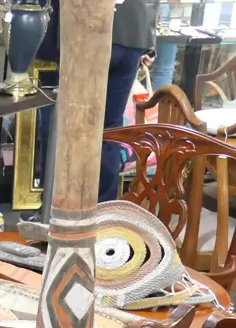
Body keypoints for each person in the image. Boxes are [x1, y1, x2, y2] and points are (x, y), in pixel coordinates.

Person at [100, 0, 156, 201]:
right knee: (111, 129)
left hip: (95, 30)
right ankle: (103, 208)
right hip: (133, 33)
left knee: (76, 125)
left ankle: (67, 209)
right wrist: (149, 44)